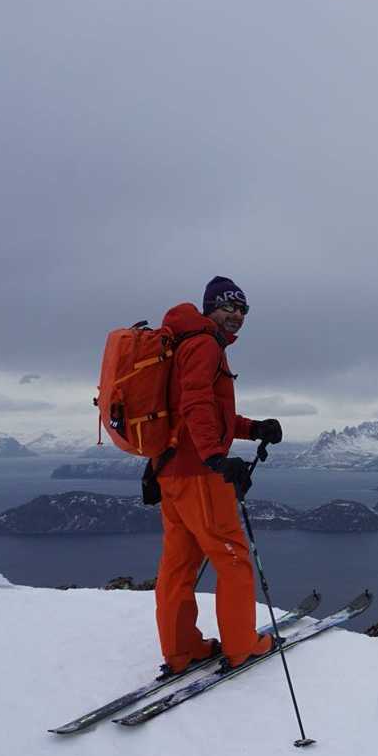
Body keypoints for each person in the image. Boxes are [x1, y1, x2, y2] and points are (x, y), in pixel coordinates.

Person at [152, 276, 285, 675]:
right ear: (210, 307)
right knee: (233, 558)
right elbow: (195, 403)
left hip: (170, 471)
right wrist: (214, 457)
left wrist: (253, 428)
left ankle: (182, 650)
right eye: (229, 307)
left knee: (179, 564)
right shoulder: (205, 345)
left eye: (243, 309)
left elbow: (204, 410)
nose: (237, 316)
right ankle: (243, 646)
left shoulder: (185, 343)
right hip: (199, 474)